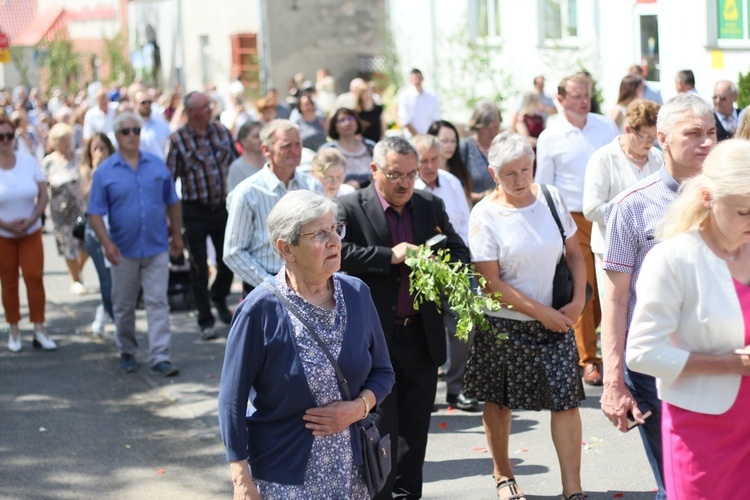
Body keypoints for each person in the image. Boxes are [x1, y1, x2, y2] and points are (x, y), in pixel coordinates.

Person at [218, 190, 395, 499]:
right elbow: (232, 402)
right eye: (319, 234)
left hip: (352, 473)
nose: (334, 241)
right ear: (287, 248)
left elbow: (383, 372)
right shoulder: (259, 310)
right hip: (284, 476)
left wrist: (357, 408)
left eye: (335, 229)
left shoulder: (357, 294)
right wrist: (241, 479)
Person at [337, 136, 470, 499]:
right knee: (380, 429)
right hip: (373, 340)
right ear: (375, 170)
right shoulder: (349, 207)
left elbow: (458, 251)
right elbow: (337, 255)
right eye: (396, 174)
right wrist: (388, 256)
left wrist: (435, 260)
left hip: (420, 338)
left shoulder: (429, 205)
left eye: (412, 175)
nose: (405, 183)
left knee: (415, 432)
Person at [600, 93, 716, 500]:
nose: (707, 142)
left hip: (721, 361)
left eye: (712, 132)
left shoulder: (730, 200)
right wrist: (613, 381)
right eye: (694, 134)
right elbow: (614, 300)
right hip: (656, 368)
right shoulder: (631, 208)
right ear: (663, 138)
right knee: (680, 483)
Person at [464, 132, 586, 500]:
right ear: (492, 172)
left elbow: (575, 254)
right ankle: (503, 474)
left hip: (557, 320)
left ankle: (573, 489)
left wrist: (579, 300)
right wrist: (541, 313)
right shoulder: (485, 214)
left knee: (565, 402)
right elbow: (490, 282)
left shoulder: (550, 197)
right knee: (500, 401)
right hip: (505, 326)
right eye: (509, 173)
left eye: (525, 169)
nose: (520, 179)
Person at [625, 139, 750, 499]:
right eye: (743, 211)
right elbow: (642, 353)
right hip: (703, 436)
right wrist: (730, 363)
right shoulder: (673, 258)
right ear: (708, 197)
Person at [535, 72, 619, 386]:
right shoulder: (550, 135)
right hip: (571, 217)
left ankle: (600, 350)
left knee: (611, 283)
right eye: (577, 95)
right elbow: (544, 183)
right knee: (585, 289)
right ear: (560, 99)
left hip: (609, 213)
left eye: (587, 94)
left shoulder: (605, 126)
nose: (585, 101)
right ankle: (589, 360)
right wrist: (552, 226)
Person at [88, 112, 183, 376]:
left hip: (156, 246)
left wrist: (177, 235)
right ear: (116, 137)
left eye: (136, 131)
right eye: (126, 132)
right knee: (124, 304)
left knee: (157, 302)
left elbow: (172, 202)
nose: (132, 136)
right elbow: (94, 212)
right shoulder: (105, 171)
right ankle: (127, 350)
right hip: (122, 249)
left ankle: (160, 355)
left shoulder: (156, 164)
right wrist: (106, 243)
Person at [411, 134, 475, 412]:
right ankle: (421, 392)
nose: (429, 166)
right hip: (416, 267)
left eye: (433, 159)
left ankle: (457, 388)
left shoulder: (450, 182)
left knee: (465, 323)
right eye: (423, 160)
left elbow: (465, 224)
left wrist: (459, 261)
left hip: (452, 263)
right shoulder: (408, 186)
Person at [167, 91, 238, 340]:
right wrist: (170, 220)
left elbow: (236, 165)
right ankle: (205, 319)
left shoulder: (221, 132)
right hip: (194, 209)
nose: (210, 110)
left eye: (209, 106)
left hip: (222, 206)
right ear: (193, 112)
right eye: (205, 107)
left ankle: (218, 296)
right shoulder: (178, 140)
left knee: (228, 259)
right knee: (198, 266)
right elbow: (170, 178)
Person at [223, 119, 322, 292]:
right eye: (286, 146)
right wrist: (271, 284)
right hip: (265, 285)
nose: (294, 151)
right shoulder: (247, 192)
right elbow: (233, 252)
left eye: (297, 144)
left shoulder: (312, 186)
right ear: (266, 150)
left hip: (309, 283)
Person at [583, 99, 662, 302]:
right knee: (617, 309)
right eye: (645, 136)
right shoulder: (604, 158)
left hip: (652, 251)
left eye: (654, 137)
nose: (649, 142)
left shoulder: (658, 157)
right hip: (612, 251)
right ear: (628, 129)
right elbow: (591, 209)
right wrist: (633, 216)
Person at [0, 115, 54, 352]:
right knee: (9, 282)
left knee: (34, 277)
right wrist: (7, 225)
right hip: (3, 233)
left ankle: (39, 329)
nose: (5, 141)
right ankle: (14, 330)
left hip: (31, 231)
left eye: (9, 136)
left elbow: (43, 194)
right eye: (0, 137)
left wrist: (33, 218)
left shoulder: (28, 161)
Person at [42, 123, 90, 295]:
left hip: (82, 210)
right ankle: (75, 279)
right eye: (62, 140)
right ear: (54, 142)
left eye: (68, 139)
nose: (66, 143)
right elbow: (42, 186)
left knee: (88, 245)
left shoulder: (80, 158)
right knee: (68, 245)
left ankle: (78, 269)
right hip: (61, 213)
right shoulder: (49, 163)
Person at [79, 133, 117, 335]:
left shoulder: (118, 169)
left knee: (115, 282)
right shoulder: (87, 171)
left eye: (103, 148)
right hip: (94, 232)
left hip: (116, 230)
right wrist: (96, 171)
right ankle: (118, 325)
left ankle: (103, 313)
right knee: (106, 280)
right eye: (96, 148)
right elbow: (86, 196)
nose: (100, 152)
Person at [319, 108, 376, 189]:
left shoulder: (370, 147)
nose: (347, 123)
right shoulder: (328, 150)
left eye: (351, 118)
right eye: (342, 120)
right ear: (335, 126)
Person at [460, 100, 502, 203]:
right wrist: (482, 196)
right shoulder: (465, 149)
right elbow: (457, 190)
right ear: (477, 127)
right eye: (488, 128)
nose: (493, 132)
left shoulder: (503, 146)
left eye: (496, 127)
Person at [427, 120, 472, 205]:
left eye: (453, 141)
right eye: (445, 141)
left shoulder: (460, 170)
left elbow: (466, 203)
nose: (450, 146)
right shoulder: (423, 171)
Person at [396, 68, 440, 137]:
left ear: (423, 78)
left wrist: (430, 135)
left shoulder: (432, 95)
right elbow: (405, 120)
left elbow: (436, 118)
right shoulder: (404, 96)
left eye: (419, 78)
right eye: (415, 79)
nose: (417, 81)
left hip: (429, 137)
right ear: (410, 80)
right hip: (412, 137)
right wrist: (418, 136)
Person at [226, 121, 264, 192]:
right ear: (244, 141)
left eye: (263, 136)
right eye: (256, 136)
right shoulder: (237, 168)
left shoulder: (271, 161)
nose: (261, 140)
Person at [134, 90, 171, 159]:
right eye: (143, 103)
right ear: (135, 105)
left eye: (149, 102)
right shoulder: (131, 128)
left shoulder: (162, 126)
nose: (147, 105)